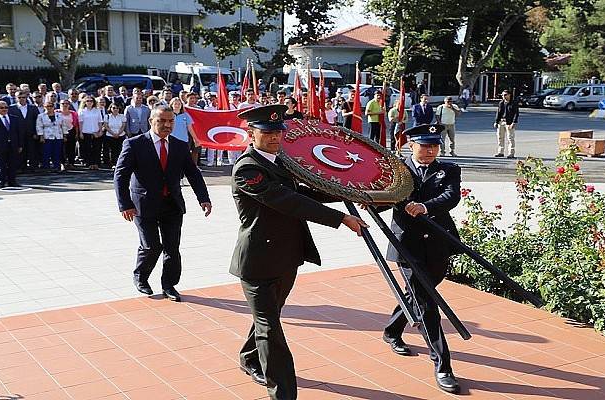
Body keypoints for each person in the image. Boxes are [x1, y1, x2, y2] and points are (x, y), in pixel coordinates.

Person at [231, 104, 367, 399]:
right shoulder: (247, 168)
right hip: (257, 262)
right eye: (266, 132)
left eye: (278, 131)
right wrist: (340, 219)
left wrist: (349, 192)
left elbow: (305, 192)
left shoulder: (279, 163)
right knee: (270, 329)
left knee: (270, 317)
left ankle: (249, 357)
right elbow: (287, 200)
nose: (274, 137)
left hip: (286, 258)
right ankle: (283, 393)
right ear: (251, 133)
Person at [380, 124, 462, 394]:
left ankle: (392, 331)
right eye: (424, 146)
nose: (430, 151)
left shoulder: (449, 169)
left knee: (417, 292)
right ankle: (442, 365)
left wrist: (426, 206)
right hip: (407, 245)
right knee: (427, 302)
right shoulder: (396, 169)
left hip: (438, 243)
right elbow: (383, 196)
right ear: (410, 145)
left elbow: (451, 196)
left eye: (434, 146)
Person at [114, 105, 211, 302]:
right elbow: (120, 175)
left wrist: (204, 198)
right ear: (151, 121)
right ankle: (140, 276)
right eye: (162, 121)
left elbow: (193, 173)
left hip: (172, 205)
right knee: (151, 246)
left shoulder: (180, 145)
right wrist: (125, 204)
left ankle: (169, 285)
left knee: (172, 248)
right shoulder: (134, 144)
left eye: (171, 121)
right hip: (144, 205)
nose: (167, 125)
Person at [0, 101, 23, 188]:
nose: (4, 109)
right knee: (0, 165)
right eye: (2, 108)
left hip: (13, 145)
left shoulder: (14, 118)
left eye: (6, 107)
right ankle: (1, 181)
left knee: (13, 164)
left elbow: (19, 133)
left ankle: (12, 181)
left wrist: (20, 145)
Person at [8, 90, 40, 171]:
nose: (22, 99)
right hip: (18, 134)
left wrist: (36, 133)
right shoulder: (11, 108)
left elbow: (37, 121)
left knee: (32, 150)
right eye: (19, 97)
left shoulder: (33, 107)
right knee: (20, 151)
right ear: (16, 98)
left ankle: (33, 167)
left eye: (24, 97)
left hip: (31, 133)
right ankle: (21, 167)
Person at [36, 101, 71, 172]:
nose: (49, 108)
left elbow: (63, 125)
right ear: (44, 107)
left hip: (58, 135)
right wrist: (41, 136)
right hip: (47, 136)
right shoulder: (41, 116)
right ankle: (46, 167)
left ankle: (56, 166)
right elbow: (39, 126)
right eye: (47, 106)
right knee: (46, 152)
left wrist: (64, 135)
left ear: (53, 107)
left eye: (51, 106)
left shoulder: (59, 115)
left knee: (57, 152)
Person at [78, 96, 104, 170]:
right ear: (85, 102)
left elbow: (100, 121)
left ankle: (96, 163)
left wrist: (100, 131)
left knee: (97, 148)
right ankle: (89, 163)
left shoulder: (97, 110)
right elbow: (80, 122)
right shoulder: (82, 110)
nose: (89, 102)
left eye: (91, 101)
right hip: (86, 132)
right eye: (88, 101)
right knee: (87, 148)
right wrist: (80, 133)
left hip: (96, 132)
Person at [493, 90, 519, 158]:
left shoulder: (513, 103)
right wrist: (496, 121)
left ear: (509, 95)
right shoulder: (501, 103)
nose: (503, 96)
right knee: (500, 138)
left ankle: (511, 153)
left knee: (510, 138)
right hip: (501, 122)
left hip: (509, 123)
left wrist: (514, 122)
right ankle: (500, 152)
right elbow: (498, 113)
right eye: (502, 95)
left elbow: (516, 113)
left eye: (505, 95)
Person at [103, 102, 127, 168]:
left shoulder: (122, 116)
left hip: (121, 136)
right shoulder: (107, 116)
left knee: (120, 150)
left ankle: (120, 163)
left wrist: (118, 134)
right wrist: (113, 134)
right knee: (112, 151)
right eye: (114, 108)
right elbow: (106, 126)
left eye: (117, 108)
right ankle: (113, 163)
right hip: (110, 136)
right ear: (110, 108)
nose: (115, 109)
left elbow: (123, 126)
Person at [58, 99, 79, 170]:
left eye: (67, 103)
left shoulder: (73, 113)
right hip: (60, 132)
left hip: (71, 131)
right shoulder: (56, 113)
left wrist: (76, 133)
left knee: (71, 148)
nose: (65, 105)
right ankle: (62, 163)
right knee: (61, 149)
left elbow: (76, 124)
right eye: (63, 103)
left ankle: (71, 163)